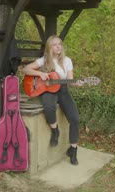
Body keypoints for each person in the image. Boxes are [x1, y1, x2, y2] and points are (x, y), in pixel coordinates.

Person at [22, 35, 82, 165]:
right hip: (48, 90)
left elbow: (70, 80)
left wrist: (76, 83)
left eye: (59, 44)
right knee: (49, 107)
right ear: (49, 47)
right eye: (54, 44)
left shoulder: (67, 61)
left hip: (63, 90)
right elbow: (25, 69)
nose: (58, 46)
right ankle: (55, 130)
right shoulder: (44, 60)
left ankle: (73, 149)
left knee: (75, 119)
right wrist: (40, 74)